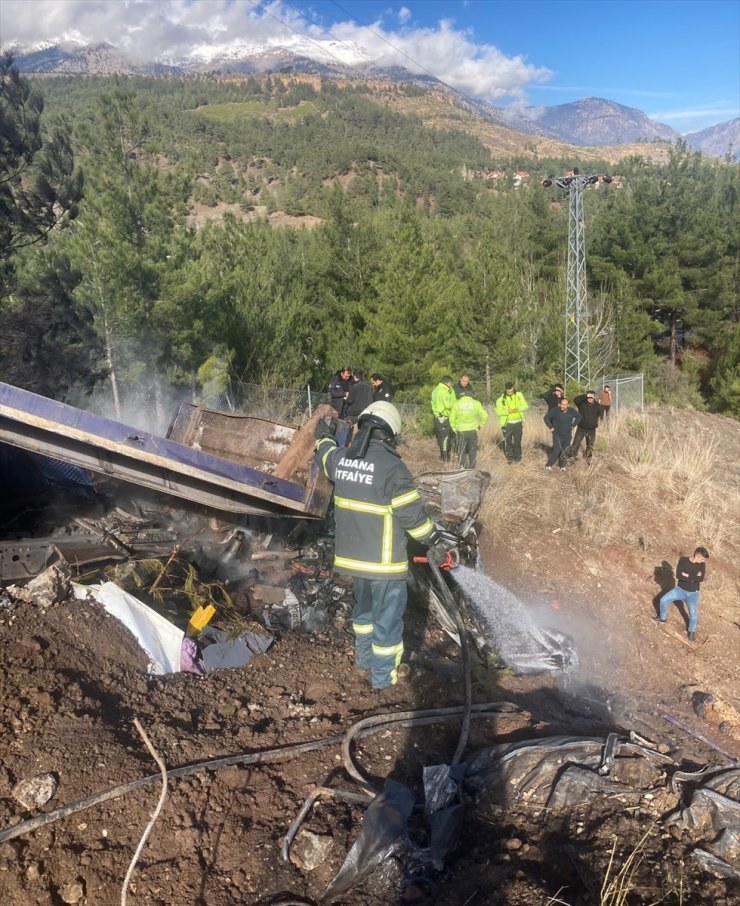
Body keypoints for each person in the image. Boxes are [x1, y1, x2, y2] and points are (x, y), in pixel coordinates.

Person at [315, 402, 453, 690]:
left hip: (353, 562)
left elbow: (325, 455)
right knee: (387, 624)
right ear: (390, 434)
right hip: (386, 565)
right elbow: (413, 520)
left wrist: (323, 437)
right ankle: (383, 682)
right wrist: (435, 541)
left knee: (363, 614)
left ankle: (363, 661)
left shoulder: (342, 459)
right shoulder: (394, 469)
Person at [652, 547, 709, 641]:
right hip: (680, 590)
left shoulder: (702, 565)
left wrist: (687, 575)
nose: (703, 561)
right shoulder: (683, 560)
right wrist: (693, 577)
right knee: (663, 600)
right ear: (697, 556)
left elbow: (701, 578)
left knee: (693, 614)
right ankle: (662, 618)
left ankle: (691, 631)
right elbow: (679, 575)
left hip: (693, 594)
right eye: (702, 559)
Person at [450, 386, 488, 468]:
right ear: (471, 395)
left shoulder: (457, 403)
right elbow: (485, 415)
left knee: (461, 450)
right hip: (472, 430)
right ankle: (472, 466)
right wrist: (480, 426)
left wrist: (454, 428)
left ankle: (462, 466)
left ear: (463, 395)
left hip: (460, 430)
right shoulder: (476, 403)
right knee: (472, 449)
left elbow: (452, 417)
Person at [543, 397, 581, 470]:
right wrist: (551, 427)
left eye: (565, 405)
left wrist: (573, 425)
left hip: (567, 434)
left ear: (568, 405)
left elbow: (579, 416)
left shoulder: (572, 411)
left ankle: (562, 466)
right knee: (557, 449)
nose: (563, 406)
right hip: (557, 434)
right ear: (560, 404)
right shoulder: (555, 410)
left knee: (565, 450)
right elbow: (546, 418)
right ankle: (549, 464)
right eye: (562, 404)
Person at [495, 382, 529, 463]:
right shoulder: (500, 399)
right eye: (508, 391)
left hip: (518, 423)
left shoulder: (519, 395)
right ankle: (510, 458)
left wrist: (518, 409)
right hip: (507, 424)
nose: (510, 392)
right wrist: (507, 411)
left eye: (511, 391)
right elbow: (498, 412)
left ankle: (518, 458)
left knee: (517, 441)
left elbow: (526, 406)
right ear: (505, 389)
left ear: (513, 388)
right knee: (508, 441)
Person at [571, 390, 603, 461]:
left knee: (590, 445)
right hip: (581, 428)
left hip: (591, 430)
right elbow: (575, 399)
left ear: (594, 397)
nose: (590, 398)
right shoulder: (581, 403)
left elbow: (601, 414)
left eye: (592, 397)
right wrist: (586, 395)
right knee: (576, 444)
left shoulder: (598, 405)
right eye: (589, 397)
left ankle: (588, 458)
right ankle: (571, 457)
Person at [430, 375, 456, 462]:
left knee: (441, 437)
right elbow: (448, 405)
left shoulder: (435, 390)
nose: (451, 385)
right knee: (445, 437)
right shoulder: (444, 392)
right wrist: (455, 402)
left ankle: (442, 455)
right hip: (443, 417)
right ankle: (445, 457)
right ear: (448, 383)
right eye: (451, 384)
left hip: (437, 416)